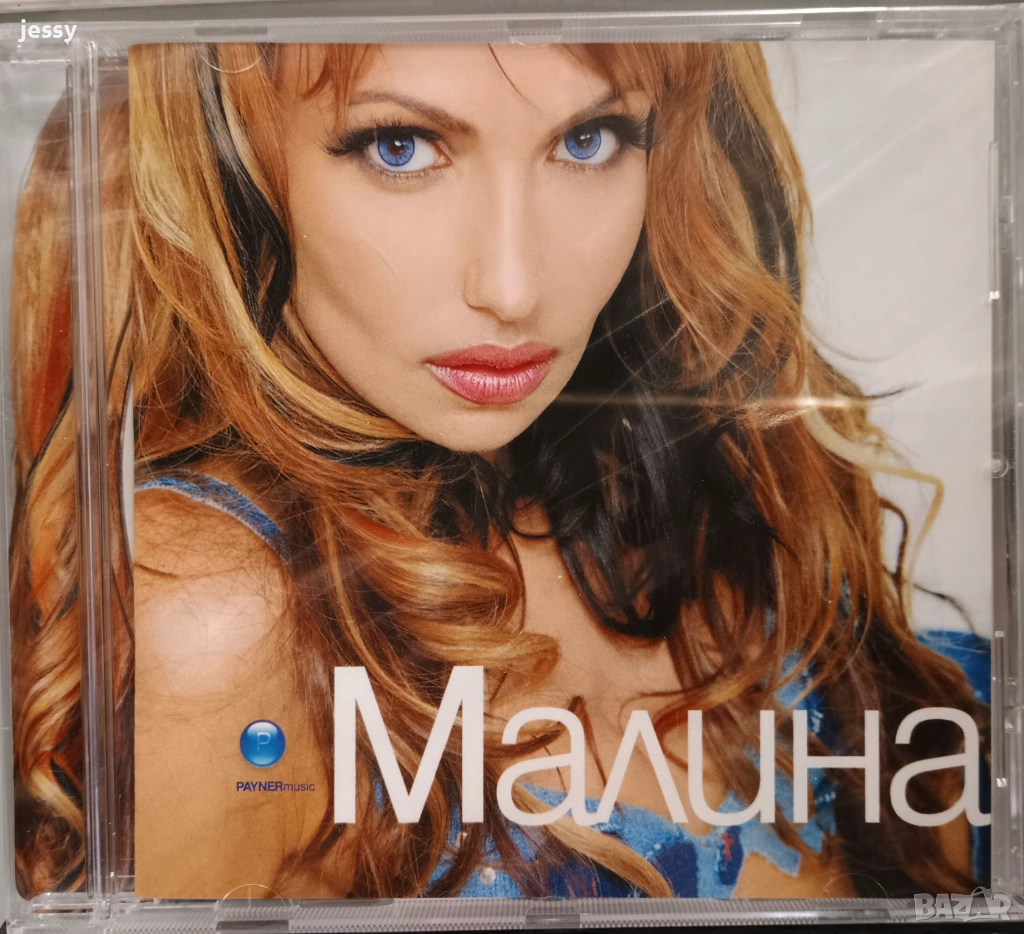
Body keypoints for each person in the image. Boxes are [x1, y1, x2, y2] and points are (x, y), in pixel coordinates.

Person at [9, 40, 988, 901]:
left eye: (589, 140)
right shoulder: (215, 614)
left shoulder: (731, 486)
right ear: (228, 163)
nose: (514, 287)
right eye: (400, 146)